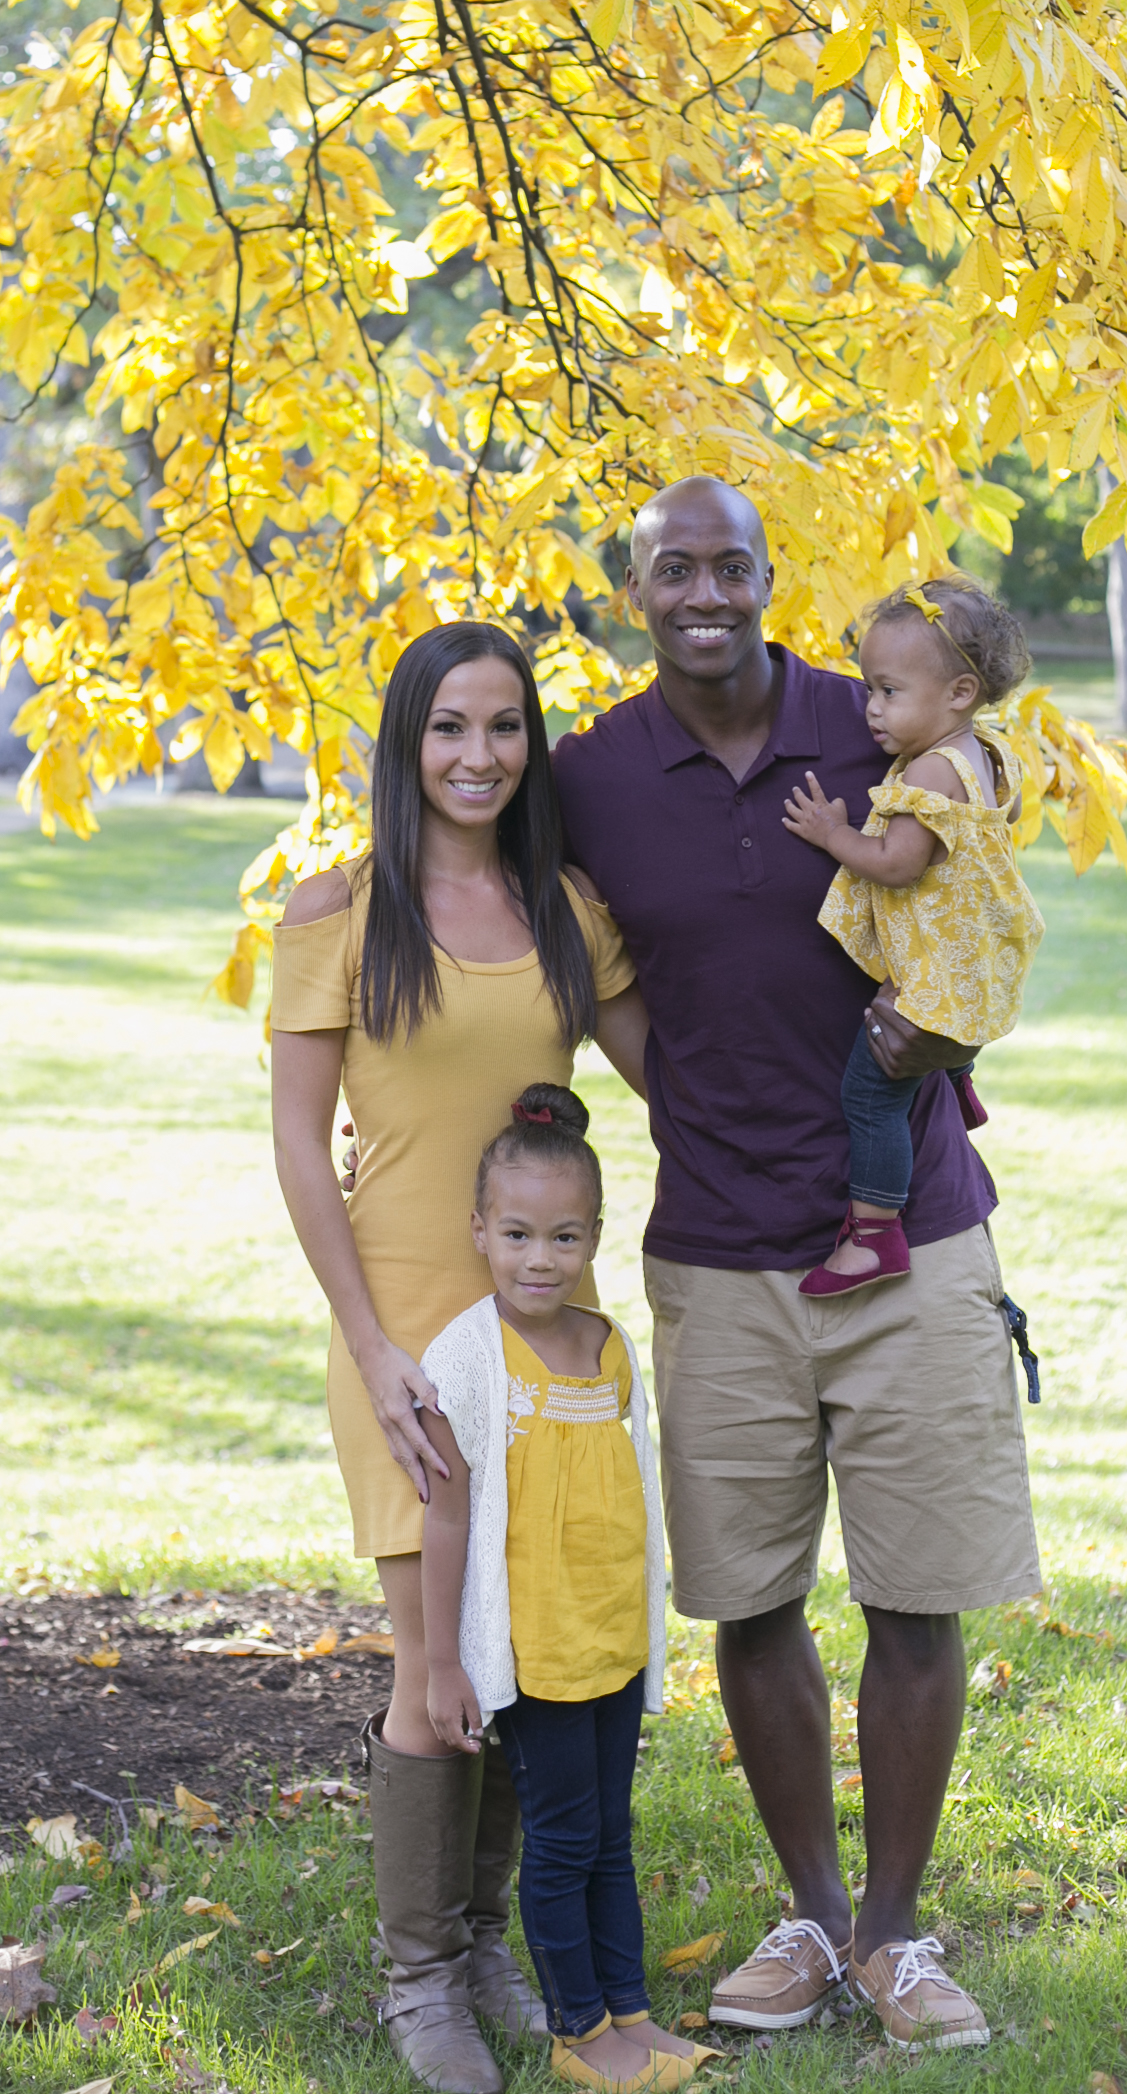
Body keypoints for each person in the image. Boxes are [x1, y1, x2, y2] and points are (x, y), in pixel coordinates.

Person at [553, 477, 1042, 2055]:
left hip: (915, 1239)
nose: (704, 587)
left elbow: (984, 842)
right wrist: (660, 1078)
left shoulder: (880, 718)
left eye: (732, 562)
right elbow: (516, 917)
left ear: (771, 578)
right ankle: (816, 1916)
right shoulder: (594, 775)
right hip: (718, 1252)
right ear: (636, 592)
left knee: (919, 1596)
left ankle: (898, 1936)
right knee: (750, 1600)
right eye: (670, 566)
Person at [270, 622, 650, 2094]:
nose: (478, 755)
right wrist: (372, 1350)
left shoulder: (566, 908)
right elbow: (302, 1144)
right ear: (404, 743)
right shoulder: (340, 912)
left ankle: (490, 1936)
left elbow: (678, 1068)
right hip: (413, 1345)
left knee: (527, 1656)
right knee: (434, 1669)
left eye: (504, 727)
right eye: (448, 728)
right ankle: (421, 1977)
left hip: (545, 1343)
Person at [416, 1083, 718, 2094]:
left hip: (609, 1646)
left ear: (592, 1237)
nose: (538, 1259)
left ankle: (629, 2011)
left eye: (562, 1237)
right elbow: (447, 1516)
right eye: (515, 1234)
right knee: (560, 1840)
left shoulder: (607, 1347)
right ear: (478, 1229)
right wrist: (445, 1663)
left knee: (612, 1837)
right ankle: (578, 2031)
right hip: (535, 1654)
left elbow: (627, 1511)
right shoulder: (467, 1356)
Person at [781, 575, 1045, 1295]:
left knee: (870, 1094)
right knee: (938, 1036)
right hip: (978, 951)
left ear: (959, 692)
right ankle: (957, 1080)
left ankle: (874, 1235)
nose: (870, 709)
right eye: (869, 689)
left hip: (937, 968)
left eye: (889, 692)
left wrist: (833, 832)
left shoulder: (929, 771)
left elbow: (897, 865)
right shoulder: (986, 755)